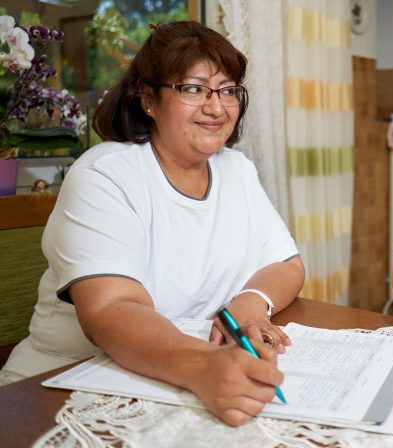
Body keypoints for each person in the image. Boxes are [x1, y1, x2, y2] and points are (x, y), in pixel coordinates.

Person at [2, 21, 305, 426]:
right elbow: (112, 307)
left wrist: (248, 307)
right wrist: (204, 365)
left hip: (179, 378)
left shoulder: (237, 170)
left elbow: (287, 264)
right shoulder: (105, 175)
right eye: (193, 89)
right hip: (66, 385)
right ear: (148, 99)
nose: (216, 107)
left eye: (228, 89)